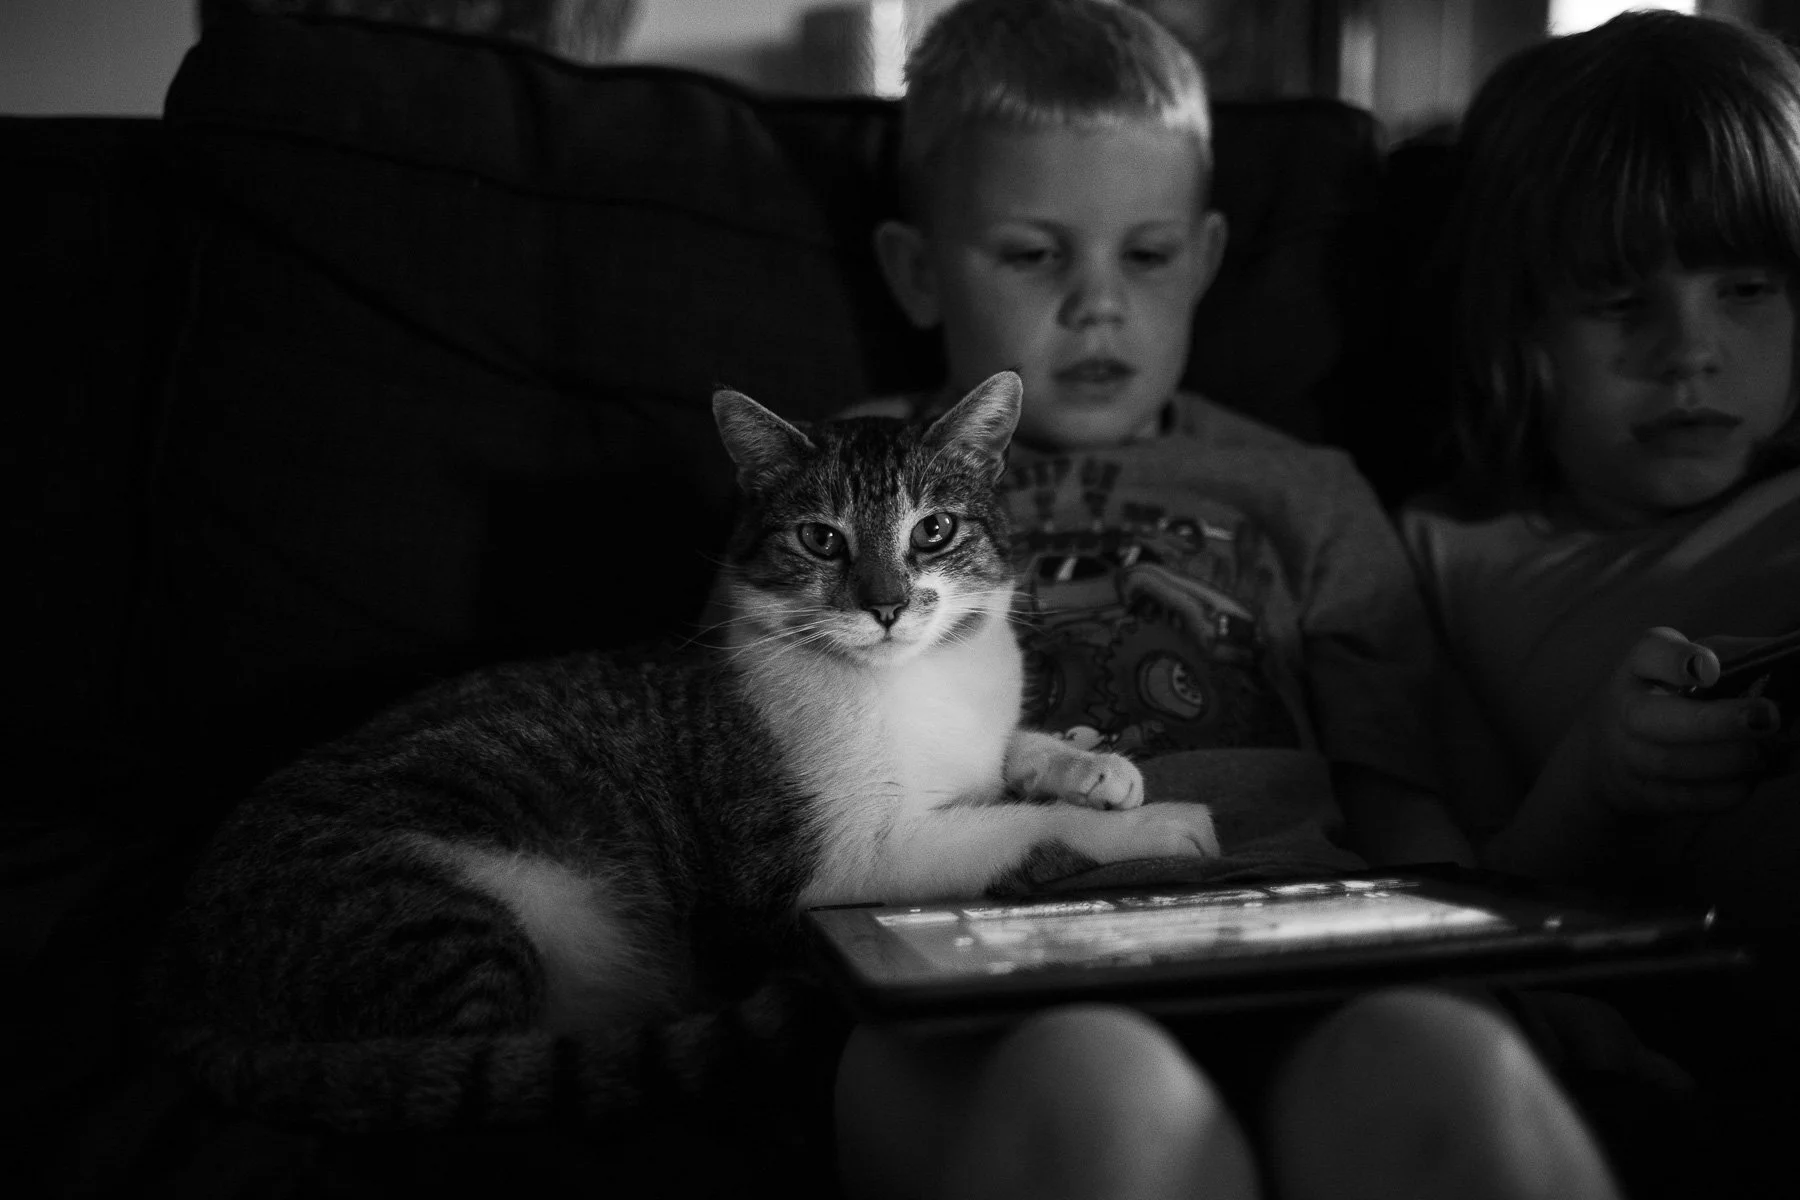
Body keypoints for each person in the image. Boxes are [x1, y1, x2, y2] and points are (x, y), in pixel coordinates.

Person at [832, 3, 1627, 1198]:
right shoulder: (834, 493)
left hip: (1290, 946)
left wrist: (1515, 977)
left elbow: (1399, 788)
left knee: (1444, 1063)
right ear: (916, 270)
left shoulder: (1300, 488)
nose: (1098, 305)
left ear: (1204, 260)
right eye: (1033, 254)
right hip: (971, 975)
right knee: (1101, 1090)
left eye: (1145, 257)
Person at [1399, 10, 1800, 926]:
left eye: (1746, 289)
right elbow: (1470, 882)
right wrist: (1592, 782)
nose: (1689, 353)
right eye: (1620, 302)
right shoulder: (1444, 558)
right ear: (1517, 327)